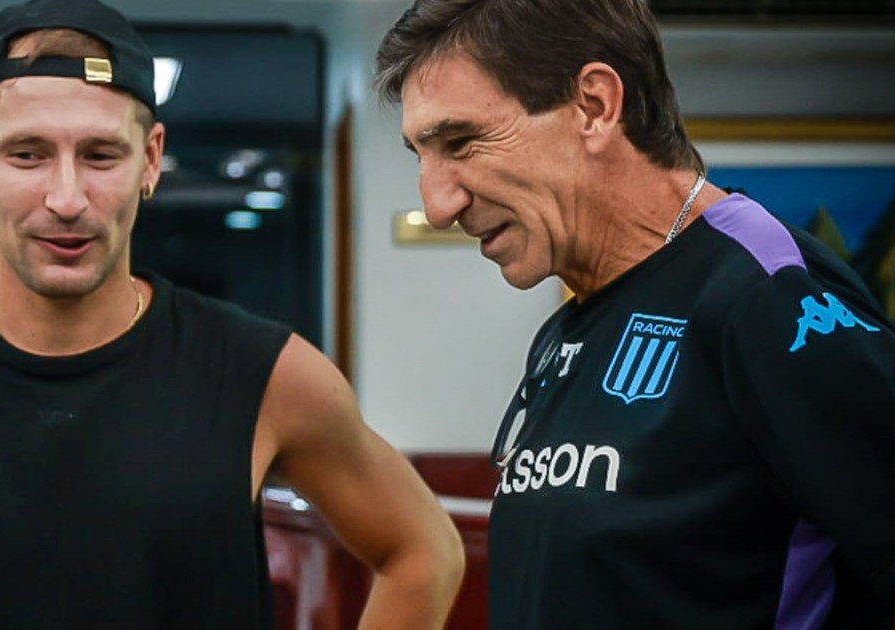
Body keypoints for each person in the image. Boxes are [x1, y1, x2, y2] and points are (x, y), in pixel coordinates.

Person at [0, 0, 465, 627]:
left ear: (150, 159)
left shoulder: (263, 374)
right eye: (26, 154)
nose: (66, 199)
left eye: (100, 156)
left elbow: (424, 551)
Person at [376, 0, 895, 627]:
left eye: (461, 142)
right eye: (421, 154)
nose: (437, 206)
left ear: (594, 106)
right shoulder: (567, 328)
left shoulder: (767, 295)